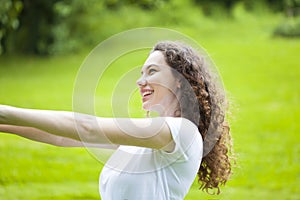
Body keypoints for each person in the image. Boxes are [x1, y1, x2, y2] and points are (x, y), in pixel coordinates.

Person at [0, 41, 233, 199]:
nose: (140, 82)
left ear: (179, 80)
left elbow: (87, 127)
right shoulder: (144, 139)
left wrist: (5, 111)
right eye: (141, 73)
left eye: (151, 71)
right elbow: (63, 136)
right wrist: (5, 125)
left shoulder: (182, 133)